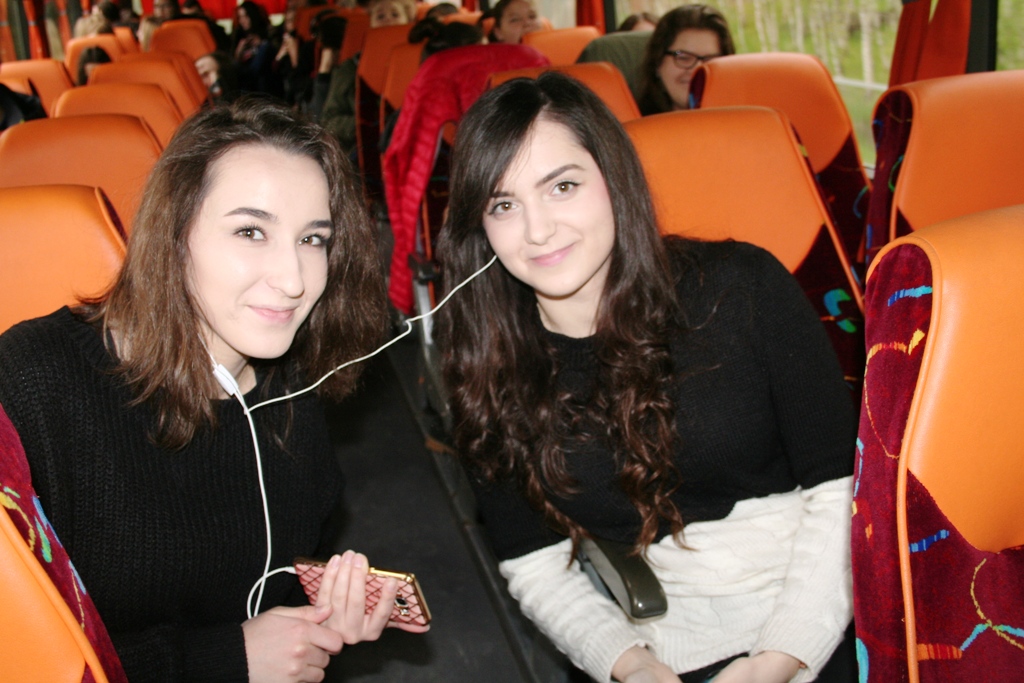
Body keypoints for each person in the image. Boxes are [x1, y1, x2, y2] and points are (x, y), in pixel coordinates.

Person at [436, 72, 856, 683]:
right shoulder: (489, 367)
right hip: (659, 643)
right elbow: (534, 564)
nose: (538, 230)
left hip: (829, 605)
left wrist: (779, 658)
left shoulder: (742, 286)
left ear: (614, 179)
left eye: (562, 186)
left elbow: (842, 492)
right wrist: (629, 664)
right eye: (504, 205)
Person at [0, 98, 426, 683]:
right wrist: (225, 659)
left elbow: (264, 584)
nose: (293, 280)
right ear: (174, 235)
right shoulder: (32, 383)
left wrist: (318, 618)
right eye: (251, 231)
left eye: (312, 239)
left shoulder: (289, 385)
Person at [637, 4, 735, 115]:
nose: (696, 69)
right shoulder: (634, 124)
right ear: (657, 63)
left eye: (710, 60)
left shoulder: (745, 120)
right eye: (684, 57)